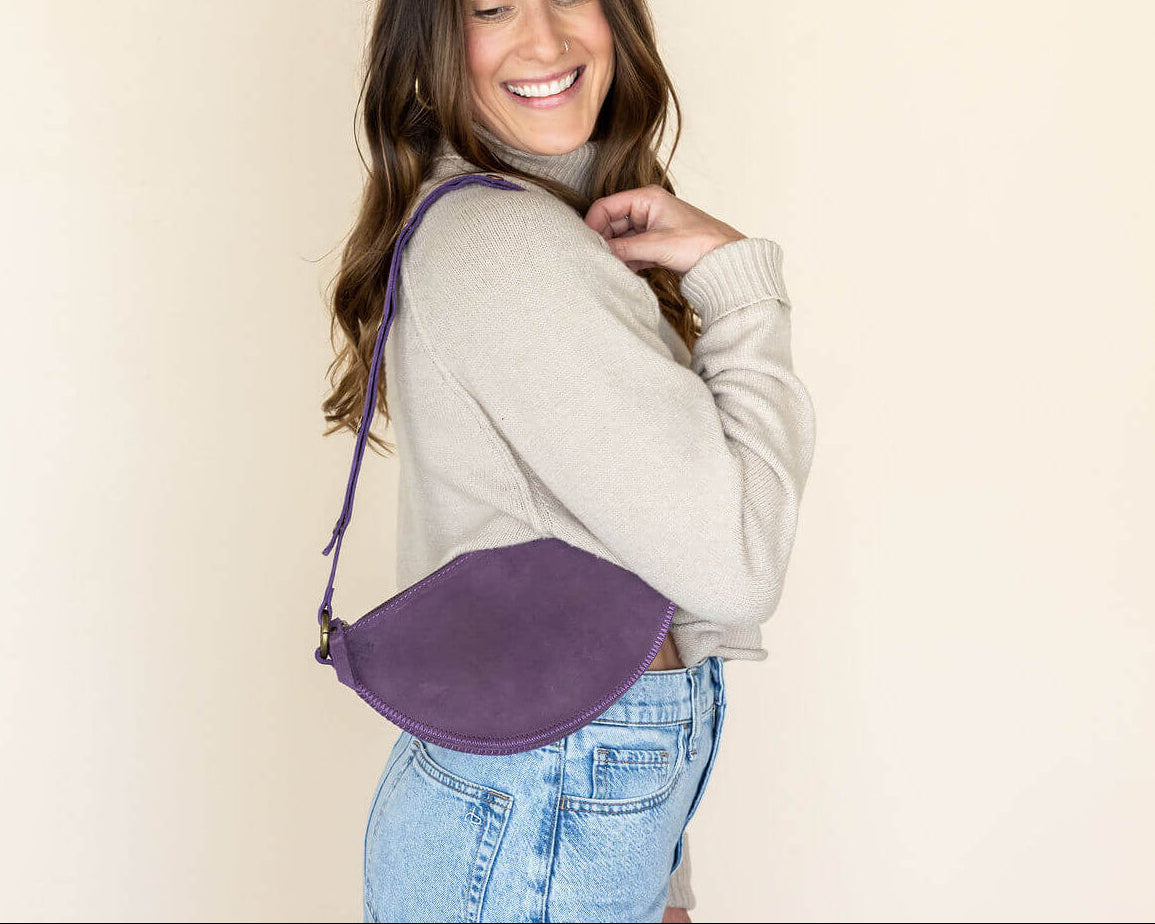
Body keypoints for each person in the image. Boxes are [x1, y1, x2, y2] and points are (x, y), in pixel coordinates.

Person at [320, 1, 817, 920]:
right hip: (538, 816)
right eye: (493, 8)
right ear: (430, 43)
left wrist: (662, 872)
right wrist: (737, 282)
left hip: (537, 808)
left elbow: (617, 578)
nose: (544, 41)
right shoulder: (509, 244)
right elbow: (736, 565)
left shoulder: (523, 228)